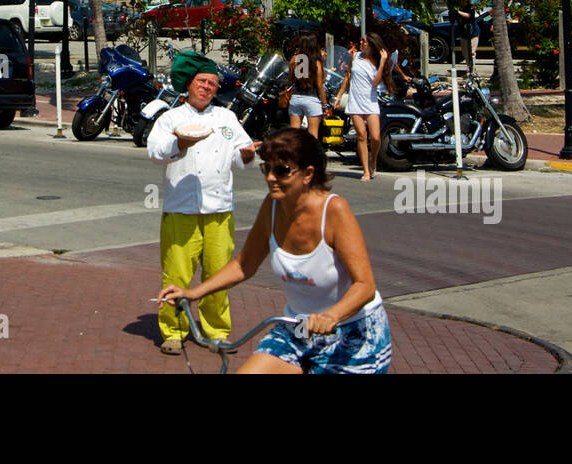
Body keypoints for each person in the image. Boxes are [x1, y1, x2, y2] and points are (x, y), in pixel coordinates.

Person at [158, 127, 391, 374]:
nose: (271, 177)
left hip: (351, 332)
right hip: (297, 328)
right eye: (266, 168)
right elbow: (243, 264)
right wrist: (193, 293)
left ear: (308, 173)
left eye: (281, 170)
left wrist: (331, 317)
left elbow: (365, 285)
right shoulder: (272, 206)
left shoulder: (334, 211)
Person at [147, 51, 258, 355]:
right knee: (176, 275)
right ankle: (173, 331)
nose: (207, 87)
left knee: (218, 276)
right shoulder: (171, 118)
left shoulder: (226, 118)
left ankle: (216, 332)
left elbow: (240, 153)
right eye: (202, 82)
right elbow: (155, 153)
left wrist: (248, 154)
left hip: (219, 211)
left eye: (212, 83)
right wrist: (178, 144)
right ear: (189, 84)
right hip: (180, 210)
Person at [336, 32, 388, 180]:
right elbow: (348, 76)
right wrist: (339, 96)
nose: (361, 43)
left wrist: (383, 62)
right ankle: (366, 170)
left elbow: (376, 83)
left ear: (371, 45)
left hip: (370, 102)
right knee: (362, 136)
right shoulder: (355, 56)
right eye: (361, 41)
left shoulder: (376, 61)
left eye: (364, 41)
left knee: (376, 137)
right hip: (355, 102)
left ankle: (373, 161)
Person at [287, 33, 329, 139]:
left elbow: (291, 79)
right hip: (312, 99)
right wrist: (325, 105)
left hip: (296, 98)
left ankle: (293, 155)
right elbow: (319, 85)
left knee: (294, 135)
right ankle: (310, 155)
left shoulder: (294, 60)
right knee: (312, 135)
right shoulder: (316, 63)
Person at [454, 0, 477, 70]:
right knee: (465, 53)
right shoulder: (459, 8)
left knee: (472, 52)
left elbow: (469, 16)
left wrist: (458, 12)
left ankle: (471, 70)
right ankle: (469, 67)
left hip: (473, 33)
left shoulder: (470, 7)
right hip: (463, 33)